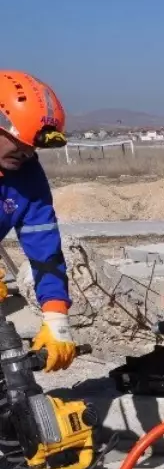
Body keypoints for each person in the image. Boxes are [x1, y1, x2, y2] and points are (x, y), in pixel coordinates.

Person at [0, 72, 78, 372]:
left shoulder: (27, 173)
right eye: (21, 142)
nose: (28, 153)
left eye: (33, 147)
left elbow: (44, 250)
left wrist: (56, 318)